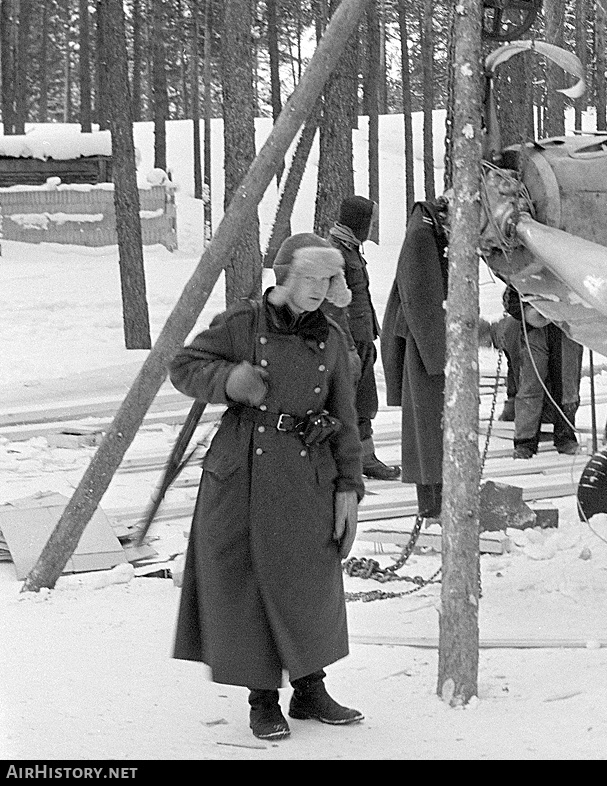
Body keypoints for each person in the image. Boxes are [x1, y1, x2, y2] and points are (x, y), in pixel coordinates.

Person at [169, 232, 365, 741]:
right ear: (287, 277)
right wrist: (231, 380)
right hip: (244, 478)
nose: (321, 289)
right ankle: (263, 699)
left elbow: (345, 417)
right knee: (251, 584)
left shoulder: (333, 337)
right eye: (312, 279)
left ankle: (310, 689)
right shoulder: (243, 322)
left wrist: (349, 487)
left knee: (309, 581)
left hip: (308, 477)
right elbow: (184, 366)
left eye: (329, 279)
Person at [381, 198, 449, 520]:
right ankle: (433, 505)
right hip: (426, 348)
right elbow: (421, 299)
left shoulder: (427, 228)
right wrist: (441, 356)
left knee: (430, 431)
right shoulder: (423, 235)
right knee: (429, 431)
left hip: (427, 343)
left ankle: (436, 501)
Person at [326, 196, 400, 481]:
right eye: (370, 222)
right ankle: (359, 460)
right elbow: (334, 307)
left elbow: (360, 299)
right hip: (349, 343)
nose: (372, 227)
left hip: (362, 339)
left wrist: (370, 337)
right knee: (352, 403)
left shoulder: (350, 249)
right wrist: (348, 347)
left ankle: (362, 456)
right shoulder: (336, 254)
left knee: (363, 401)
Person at [487, 284, 583, 459]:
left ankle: (565, 437)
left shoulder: (574, 266)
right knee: (530, 385)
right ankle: (525, 441)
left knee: (567, 385)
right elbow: (511, 299)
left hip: (567, 330)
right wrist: (526, 312)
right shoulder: (526, 269)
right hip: (533, 332)